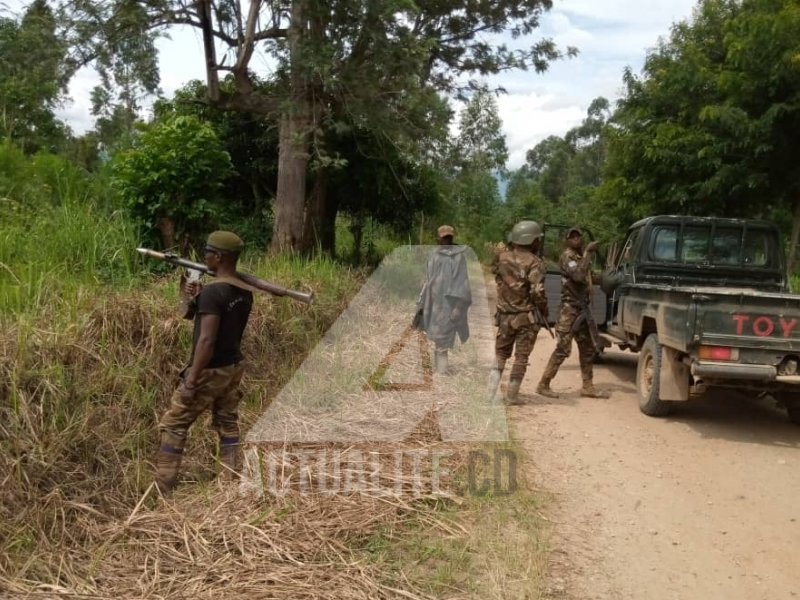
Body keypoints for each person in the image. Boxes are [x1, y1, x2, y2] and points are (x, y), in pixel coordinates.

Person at [154, 231, 254, 497]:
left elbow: (207, 340)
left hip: (209, 370)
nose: (204, 258)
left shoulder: (213, 292)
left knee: (174, 424)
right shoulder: (244, 292)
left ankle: (162, 492)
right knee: (227, 422)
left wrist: (191, 380)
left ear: (218, 257)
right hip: (232, 368)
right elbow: (202, 318)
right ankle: (230, 483)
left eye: (207, 253)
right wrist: (194, 297)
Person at [537, 227, 609, 399]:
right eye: (572, 237)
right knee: (562, 348)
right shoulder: (567, 256)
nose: (576, 239)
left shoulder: (580, 258)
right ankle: (543, 384)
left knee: (587, 349)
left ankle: (587, 386)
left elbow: (589, 277)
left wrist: (610, 276)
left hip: (582, 309)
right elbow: (577, 275)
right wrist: (588, 253)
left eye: (579, 236)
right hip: (569, 309)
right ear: (567, 240)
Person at [488, 221, 549, 405]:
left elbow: (496, 275)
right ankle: (512, 396)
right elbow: (538, 292)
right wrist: (544, 309)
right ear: (531, 240)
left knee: (500, 354)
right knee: (521, 357)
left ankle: (490, 394)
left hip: (504, 315)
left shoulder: (502, 257)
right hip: (525, 317)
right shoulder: (535, 262)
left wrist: (505, 292)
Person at [416, 225, 472, 374]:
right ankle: (437, 369)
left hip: (448, 304)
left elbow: (462, 283)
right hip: (432, 302)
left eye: (449, 236)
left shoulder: (458, 257)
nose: (446, 239)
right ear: (439, 238)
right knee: (433, 335)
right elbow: (428, 277)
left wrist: (459, 307)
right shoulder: (434, 254)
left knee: (443, 339)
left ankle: (441, 373)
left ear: (452, 237)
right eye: (443, 237)